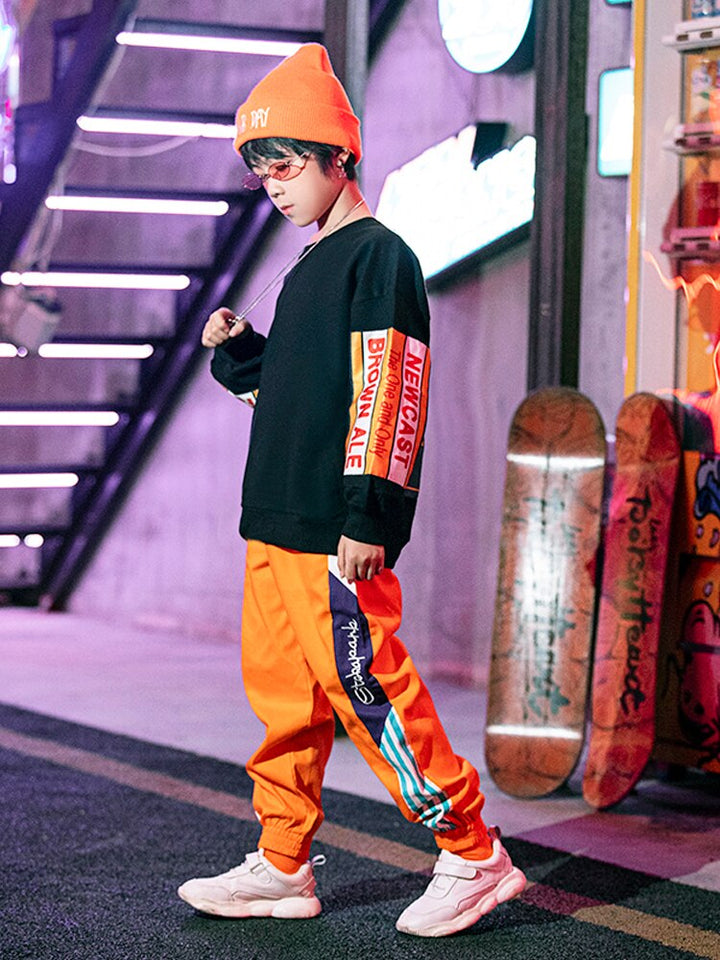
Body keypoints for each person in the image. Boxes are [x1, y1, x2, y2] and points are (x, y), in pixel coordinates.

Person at [177, 42, 526, 938]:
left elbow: (390, 389)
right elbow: (302, 399)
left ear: (340, 154)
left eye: (286, 164)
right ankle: (282, 863)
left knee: (370, 692)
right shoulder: (308, 267)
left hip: (332, 528)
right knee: (282, 704)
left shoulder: (380, 257)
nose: (274, 186)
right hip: (273, 521)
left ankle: (473, 852)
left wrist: (372, 513)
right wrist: (241, 355)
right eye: (262, 171)